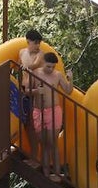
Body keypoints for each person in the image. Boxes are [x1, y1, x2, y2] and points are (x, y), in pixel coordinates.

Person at [27, 51, 73, 179]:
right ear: (43, 63)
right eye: (48, 66)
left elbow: (68, 91)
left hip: (53, 111)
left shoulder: (57, 75)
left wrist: (70, 78)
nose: (50, 69)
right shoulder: (35, 73)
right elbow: (26, 91)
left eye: (53, 67)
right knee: (43, 143)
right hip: (38, 111)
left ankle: (57, 174)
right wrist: (36, 91)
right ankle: (46, 174)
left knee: (53, 143)